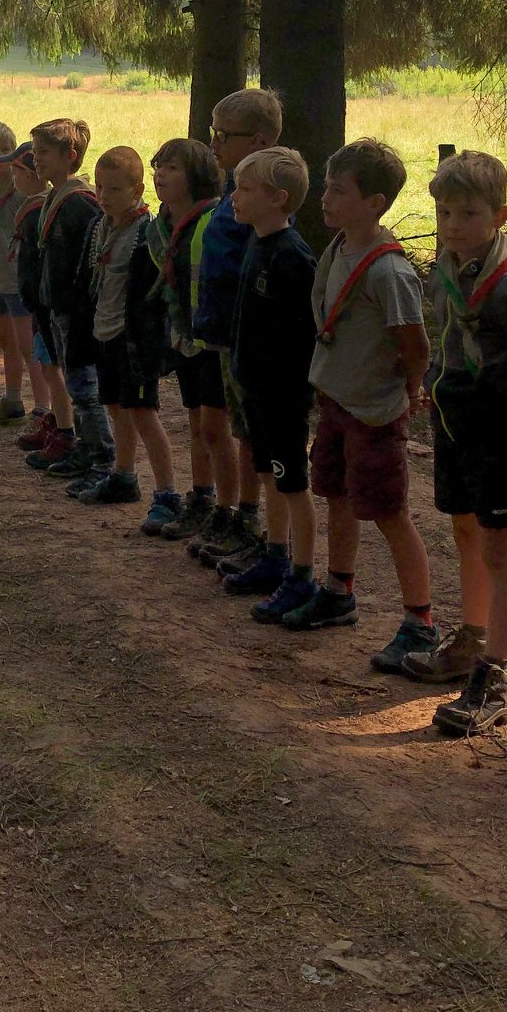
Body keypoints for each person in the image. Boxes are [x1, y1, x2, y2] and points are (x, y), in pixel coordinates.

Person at [409, 150, 507, 738]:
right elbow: (445, 337)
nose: (453, 225)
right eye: (444, 211)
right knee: (465, 531)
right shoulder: (444, 270)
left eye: (469, 213)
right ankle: (472, 639)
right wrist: (430, 384)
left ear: (500, 214)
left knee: (500, 550)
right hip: (456, 423)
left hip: (500, 430)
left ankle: (496, 674)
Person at [282, 140, 437, 667]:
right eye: (326, 187)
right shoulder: (336, 247)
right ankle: (337, 592)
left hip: (374, 411)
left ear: (375, 202)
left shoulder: (389, 272)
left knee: (390, 512)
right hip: (336, 400)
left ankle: (421, 621)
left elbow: (413, 342)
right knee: (336, 495)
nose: (325, 198)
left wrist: (413, 391)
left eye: (339, 191)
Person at [215, 149, 319, 623]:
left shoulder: (293, 256)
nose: (235, 197)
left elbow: (304, 333)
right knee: (268, 476)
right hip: (255, 389)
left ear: (278, 199)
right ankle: (275, 556)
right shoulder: (256, 241)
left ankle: (302, 575)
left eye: (245, 189)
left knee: (292, 482)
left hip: (283, 395)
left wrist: (288, 386)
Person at [187, 89, 284, 573]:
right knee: (229, 429)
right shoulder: (231, 197)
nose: (214, 145)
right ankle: (235, 514)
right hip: (220, 334)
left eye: (224, 136)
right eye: (213, 134)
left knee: (249, 437)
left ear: (260, 141)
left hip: (246, 340)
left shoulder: (260, 207)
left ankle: (251, 522)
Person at [74, 146, 178, 521]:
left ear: (137, 190)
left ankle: (168, 493)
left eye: (115, 189)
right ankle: (123, 475)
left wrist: (149, 344)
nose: (103, 196)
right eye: (100, 187)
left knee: (143, 412)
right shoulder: (101, 226)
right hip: (104, 331)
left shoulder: (145, 233)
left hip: (132, 338)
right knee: (116, 407)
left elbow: (153, 296)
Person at [145, 138, 229, 540]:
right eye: (159, 165)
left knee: (216, 428)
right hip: (183, 339)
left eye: (172, 167)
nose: (160, 174)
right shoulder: (160, 226)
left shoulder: (212, 221)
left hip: (211, 342)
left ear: (197, 176)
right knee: (196, 424)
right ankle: (202, 498)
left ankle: (229, 513)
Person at [24, 119, 111, 480]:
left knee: (85, 388)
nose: (35, 159)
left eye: (43, 152)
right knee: (76, 386)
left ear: (69, 155)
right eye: (35, 151)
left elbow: (91, 260)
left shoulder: (80, 203)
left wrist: (77, 306)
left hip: (76, 312)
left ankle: (100, 456)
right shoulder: (55, 198)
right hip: (57, 309)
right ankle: (85, 450)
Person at [0, 121, 47, 424]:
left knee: (29, 344)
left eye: (5, 149)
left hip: (18, 279)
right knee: (6, 342)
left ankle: (43, 404)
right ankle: (12, 398)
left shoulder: (22, 190)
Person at [6, 145, 73, 455]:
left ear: (31, 175)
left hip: (45, 305)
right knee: (48, 367)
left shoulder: (37, 213)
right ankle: (56, 421)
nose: (12, 177)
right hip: (39, 303)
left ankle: (64, 430)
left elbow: (37, 264)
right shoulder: (38, 208)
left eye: (16, 171)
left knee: (51, 368)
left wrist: (35, 298)